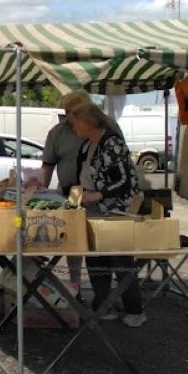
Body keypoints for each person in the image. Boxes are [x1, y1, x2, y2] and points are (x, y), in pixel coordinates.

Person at [71, 102, 147, 327]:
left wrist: (98, 195)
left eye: (75, 122)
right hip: (93, 212)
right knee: (96, 258)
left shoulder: (112, 143)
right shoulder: (86, 146)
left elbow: (124, 180)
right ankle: (103, 305)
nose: (72, 127)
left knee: (121, 259)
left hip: (118, 211)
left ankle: (135, 310)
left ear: (88, 122)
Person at [41, 91, 94, 293]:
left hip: (95, 195)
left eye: (73, 112)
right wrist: (42, 194)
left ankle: (103, 294)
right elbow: (47, 165)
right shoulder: (57, 132)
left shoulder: (99, 129)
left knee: (98, 247)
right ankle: (76, 287)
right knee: (72, 245)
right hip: (68, 194)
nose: (69, 116)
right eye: (66, 112)